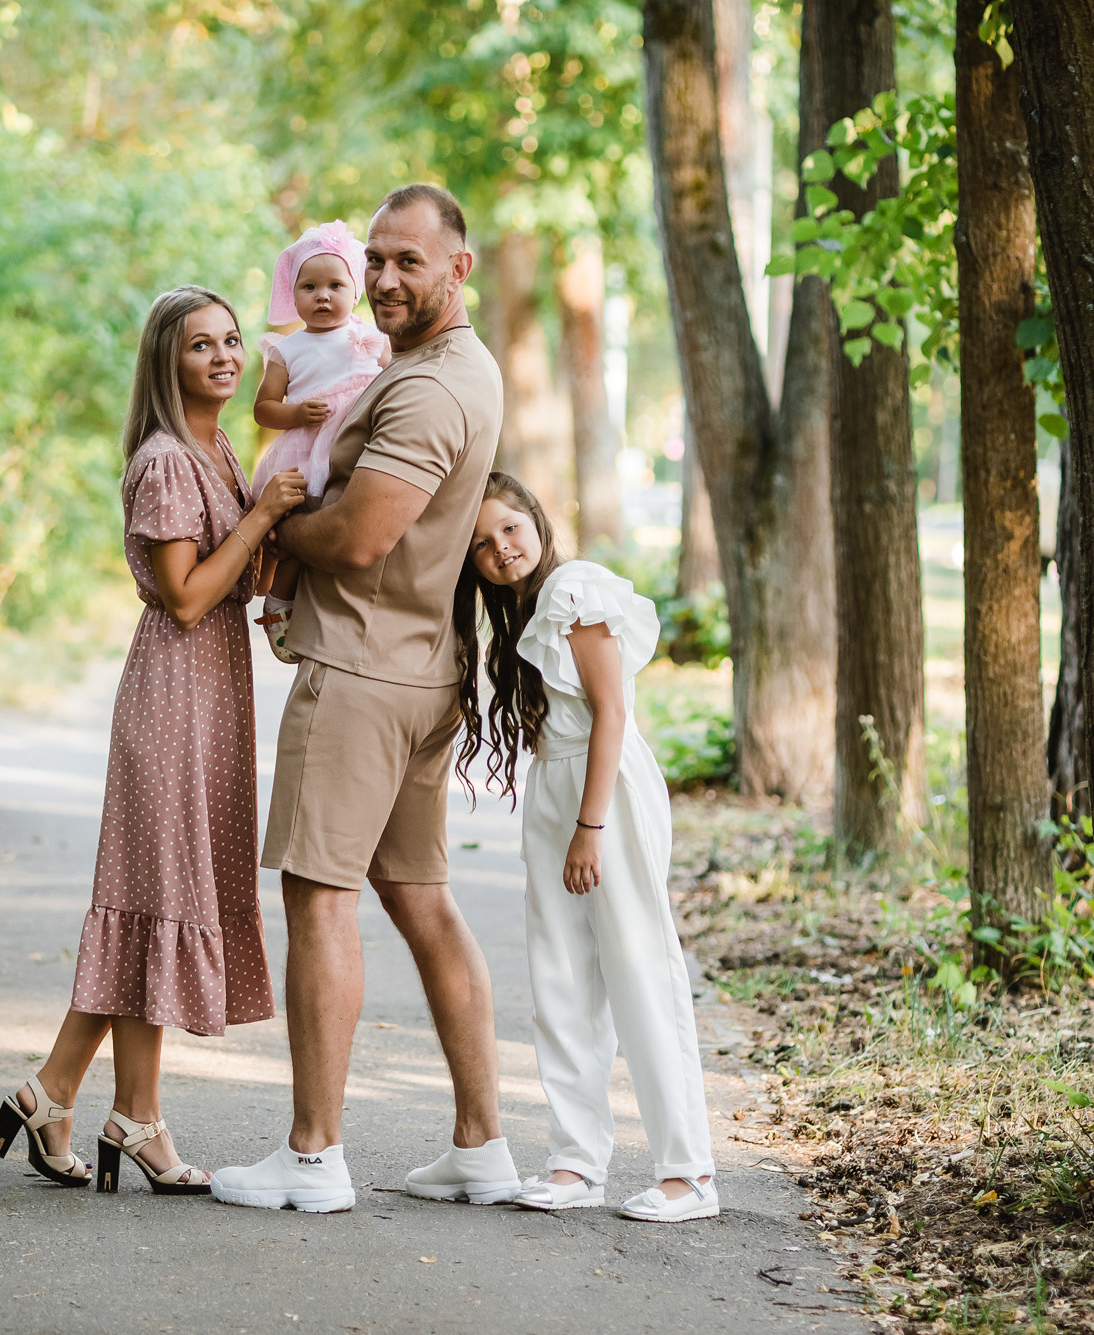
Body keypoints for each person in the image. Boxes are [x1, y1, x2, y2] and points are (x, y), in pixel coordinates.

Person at [209, 185, 518, 1214]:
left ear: (457, 271)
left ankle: (310, 1160)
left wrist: (264, 523)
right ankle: (481, 1147)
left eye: (407, 263)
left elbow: (356, 539)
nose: (384, 279)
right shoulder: (444, 368)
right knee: (419, 900)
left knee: (317, 898)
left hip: (362, 672)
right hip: (417, 667)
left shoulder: (430, 389)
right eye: (374, 258)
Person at [0, 286, 308, 1196]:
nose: (224, 356)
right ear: (167, 361)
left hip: (213, 697)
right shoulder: (166, 460)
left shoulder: (219, 444)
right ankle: (133, 1116)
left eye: (233, 340)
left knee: (148, 905)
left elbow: (237, 573)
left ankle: (62, 1094)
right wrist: (263, 514)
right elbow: (190, 596)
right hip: (171, 696)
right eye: (201, 344)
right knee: (152, 905)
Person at [455, 472, 720, 1223]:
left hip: (605, 794)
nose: (501, 549)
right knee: (562, 979)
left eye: (509, 527)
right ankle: (576, 1161)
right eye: (481, 542)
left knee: (639, 970)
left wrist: (589, 826)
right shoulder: (516, 613)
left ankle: (689, 1172)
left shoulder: (573, 587)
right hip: (556, 785)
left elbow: (611, 711)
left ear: (536, 517)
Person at [252, 220, 391, 663]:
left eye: (335, 284)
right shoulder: (287, 349)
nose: (323, 295)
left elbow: (394, 382)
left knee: (349, 523)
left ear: (356, 290)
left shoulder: (368, 336)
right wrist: (294, 413)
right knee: (299, 528)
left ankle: (343, 611)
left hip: (357, 443)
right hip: (309, 447)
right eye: (309, 287)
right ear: (293, 296)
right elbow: (264, 408)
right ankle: (277, 601)